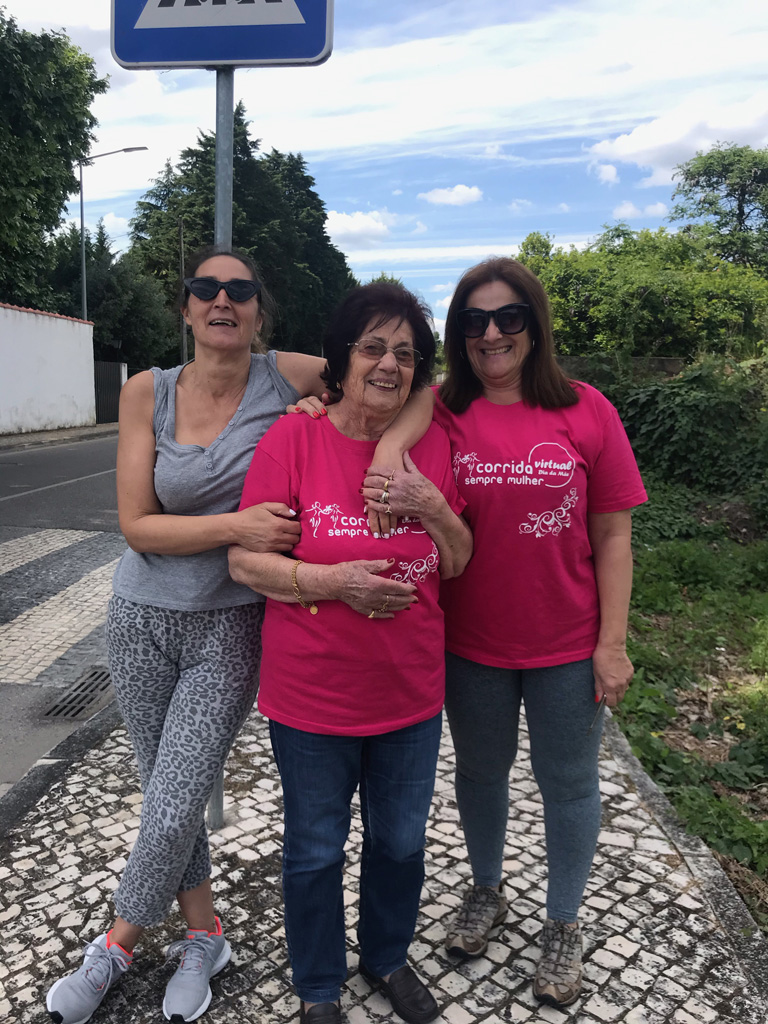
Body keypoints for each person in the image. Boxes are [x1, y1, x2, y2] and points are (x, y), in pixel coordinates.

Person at [45, 248, 429, 1024]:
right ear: (186, 306)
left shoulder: (284, 377)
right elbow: (137, 526)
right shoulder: (146, 391)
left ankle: (116, 942)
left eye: (240, 290)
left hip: (228, 623)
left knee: (175, 798)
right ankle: (204, 937)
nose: (223, 300)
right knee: (171, 796)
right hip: (139, 618)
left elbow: (413, 383)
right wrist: (239, 526)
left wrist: (388, 448)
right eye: (206, 288)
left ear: (258, 310)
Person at [363, 258, 647, 1010]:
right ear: (459, 332)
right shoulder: (443, 408)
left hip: (567, 644)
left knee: (569, 783)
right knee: (481, 774)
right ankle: (487, 888)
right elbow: (387, 396)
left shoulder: (587, 410)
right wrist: (387, 449)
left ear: (534, 325)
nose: (492, 333)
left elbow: (614, 535)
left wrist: (612, 643)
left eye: (508, 317)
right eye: (475, 320)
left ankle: (563, 921)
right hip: (470, 643)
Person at [228, 282, 473, 1024]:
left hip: (409, 694)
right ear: (342, 357)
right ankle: (318, 985)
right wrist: (335, 583)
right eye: (373, 347)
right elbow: (245, 562)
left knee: (399, 844)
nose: (389, 364)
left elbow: (459, 559)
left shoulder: (433, 443)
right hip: (312, 698)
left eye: (405, 352)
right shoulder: (294, 440)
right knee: (314, 849)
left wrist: (433, 507)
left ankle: (387, 956)